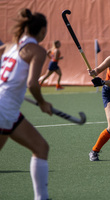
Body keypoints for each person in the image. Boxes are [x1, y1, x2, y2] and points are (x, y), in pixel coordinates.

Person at [0, 8, 52, 200]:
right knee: (40, 148)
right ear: (43, 31)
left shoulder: (8, 46)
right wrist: (42, 103)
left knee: (41, 147)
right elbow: (32, 84)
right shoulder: (37, 50)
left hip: (8, 111)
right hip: (5, 109)